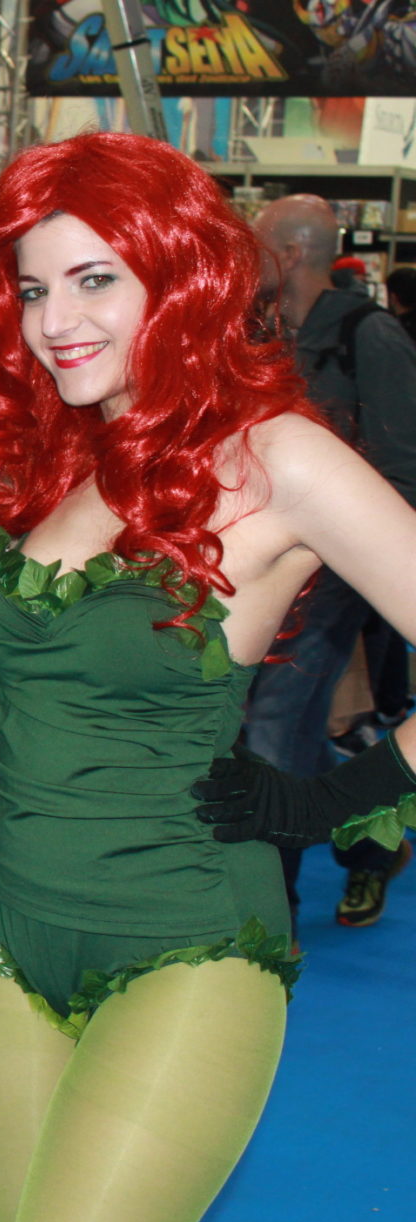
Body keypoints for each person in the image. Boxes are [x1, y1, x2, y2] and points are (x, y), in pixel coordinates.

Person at [0, 131, 416, 1222]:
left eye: (93, 279)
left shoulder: (277, 458)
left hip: (187, 950)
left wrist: (333, 799)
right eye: (33, 289)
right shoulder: (51, 453)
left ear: (179, 274)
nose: (55, 321)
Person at [247, 194, 416, 927]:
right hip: (268, 568)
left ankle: (270, 911)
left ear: (287, 253)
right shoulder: (266, 333)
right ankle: (371, 848)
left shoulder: (367, 334)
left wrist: (360, 566)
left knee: (273, 727)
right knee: (287, 727)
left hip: (334, 578)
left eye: (256, 240)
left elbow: (405, 467)